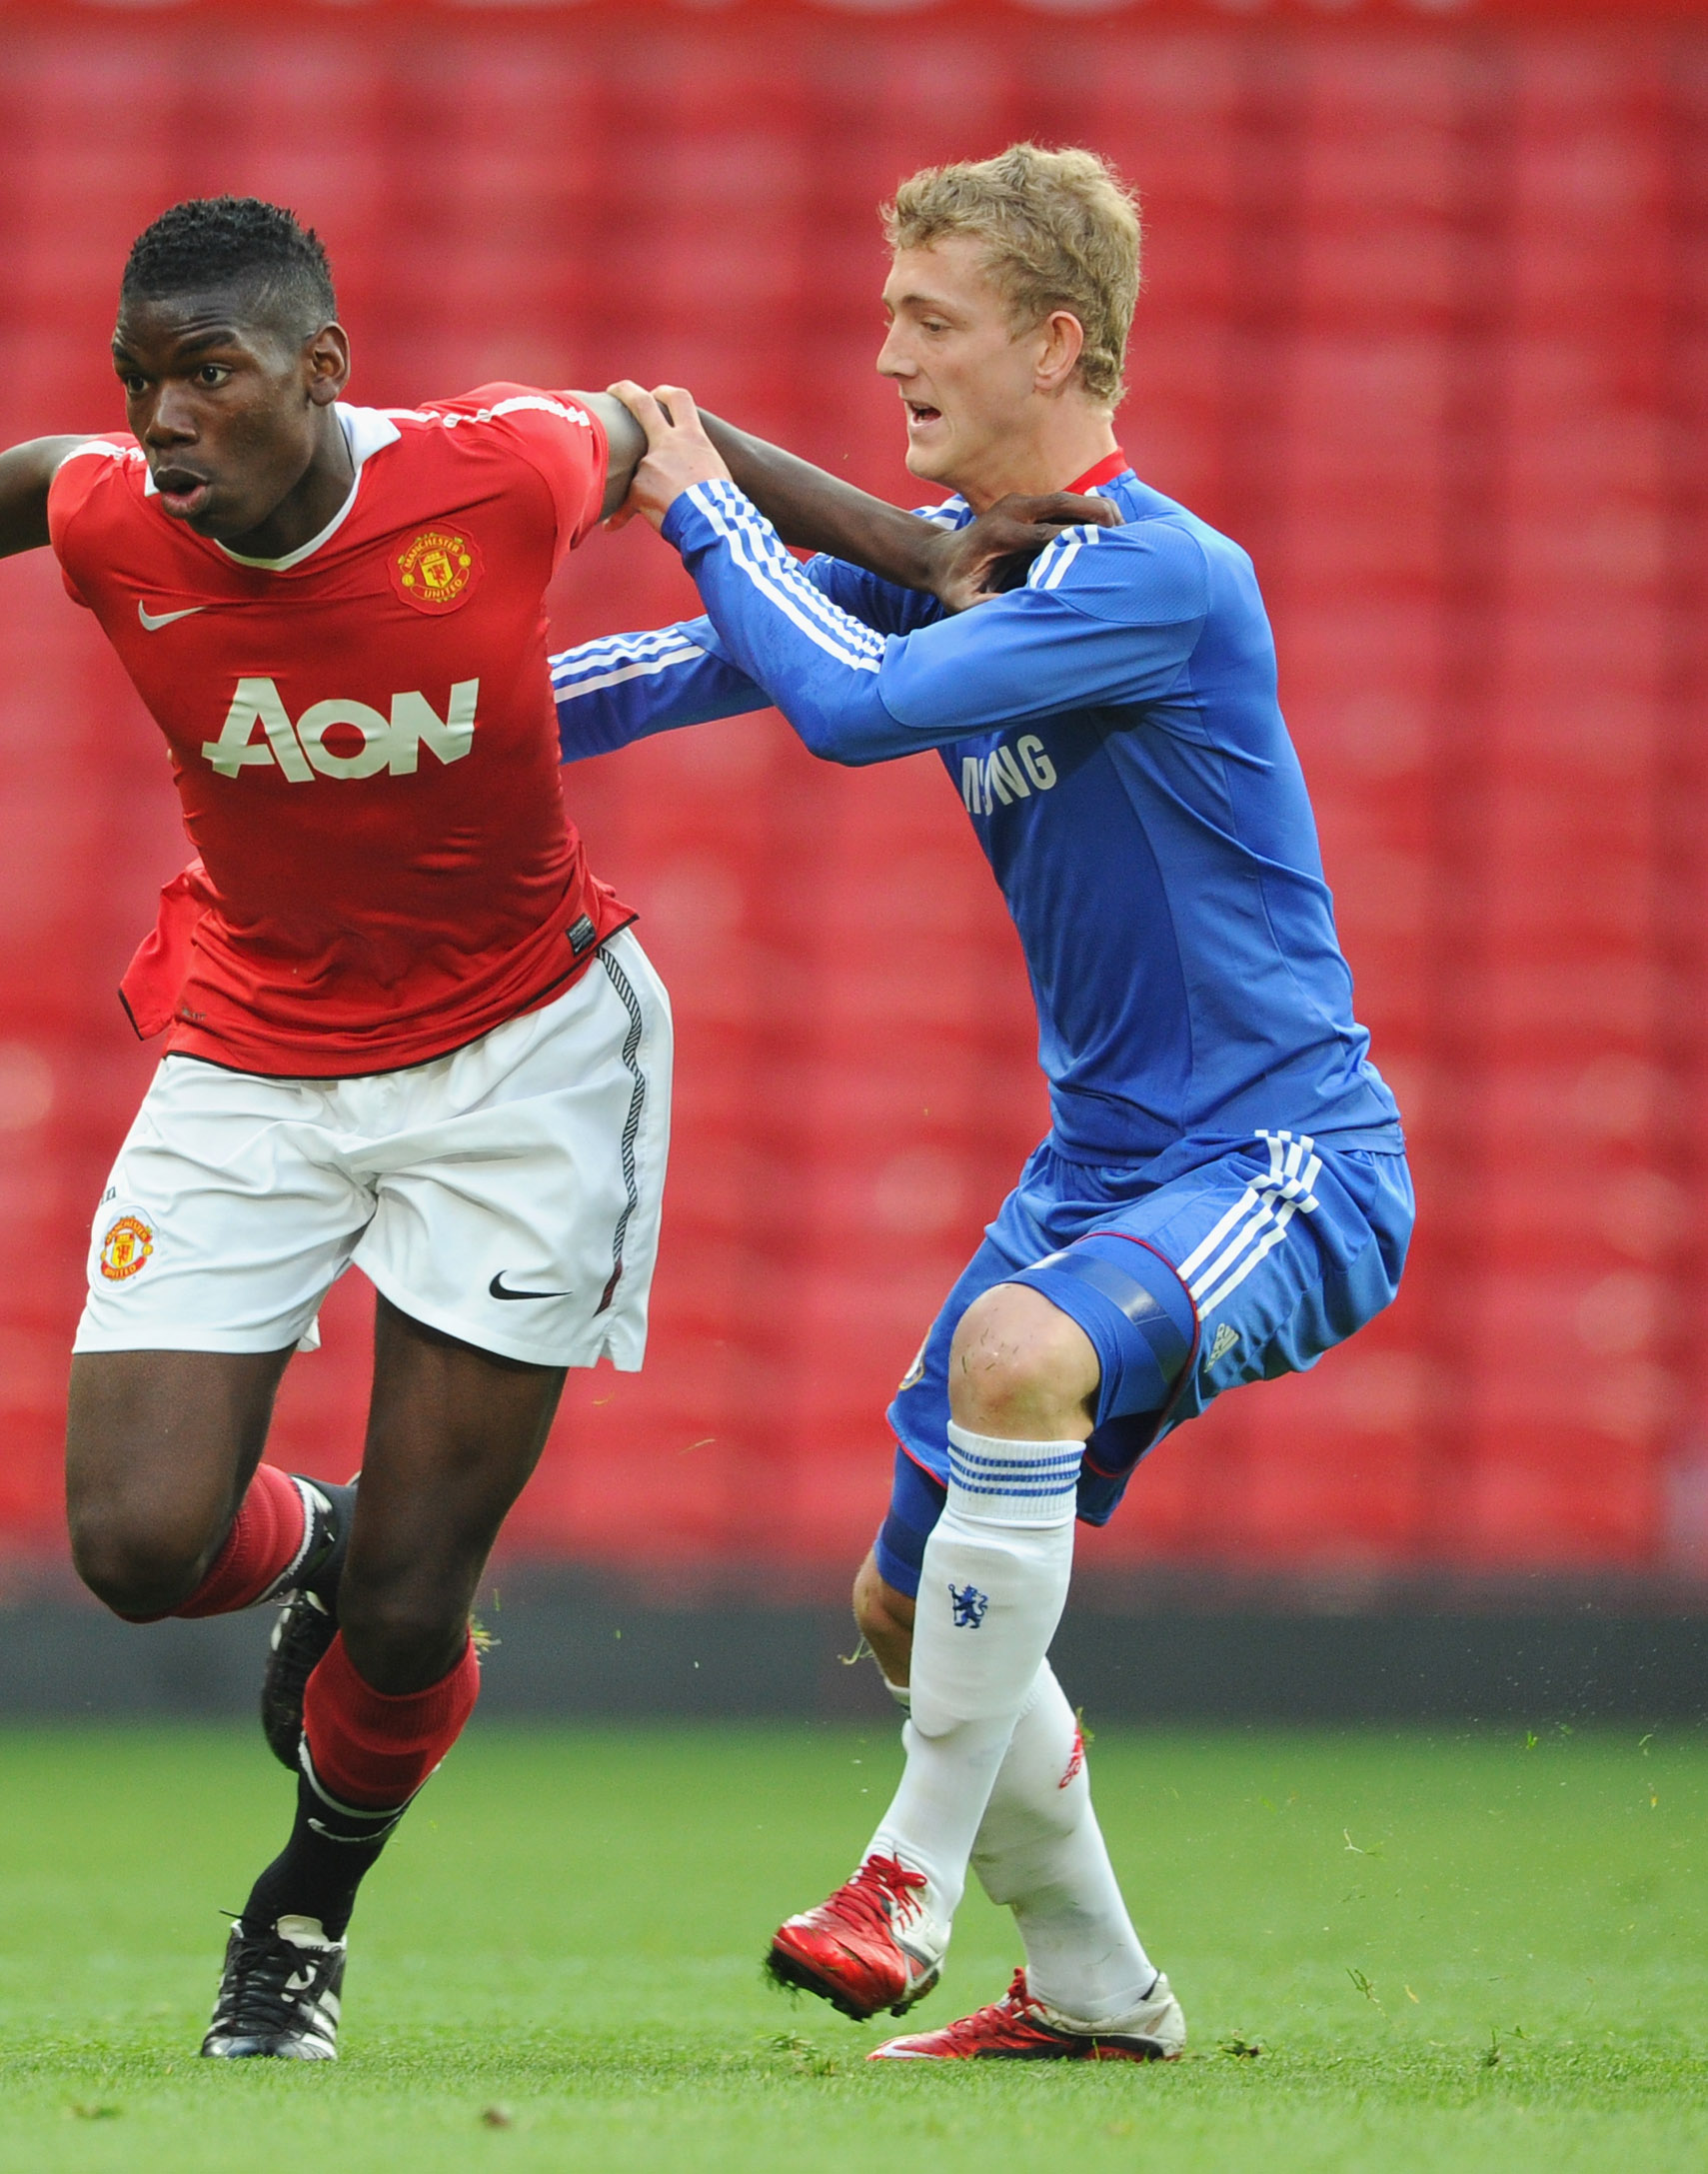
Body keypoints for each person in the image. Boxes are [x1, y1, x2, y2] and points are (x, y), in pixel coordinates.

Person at [0, 196, 1070, 2059]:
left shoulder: (490, 472)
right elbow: (36, 478)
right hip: (253, 1053)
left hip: (519, 1068)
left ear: (319, 373)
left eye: (209, 376)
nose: (164, 420)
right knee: (135, 1546)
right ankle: (319, 1539)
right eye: (143, 382)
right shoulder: (117, 512)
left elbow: (671, 427)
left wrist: (917, 546)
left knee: (416, 1622)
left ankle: (296, 1923)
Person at [553, 145, 1410, 2062]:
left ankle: (905, 1879)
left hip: (1281, 1154)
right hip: (1103, 1161)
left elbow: (848, 700)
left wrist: (699, 498)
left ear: (1054, 339)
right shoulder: (961, 565)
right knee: (897, 1597)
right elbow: (675, 673)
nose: (889, 361)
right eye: (882, 321)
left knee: (1017, 1361)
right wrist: (410, 728)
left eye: (927, 323)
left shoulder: (1162, 576)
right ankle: (1098, 1989)